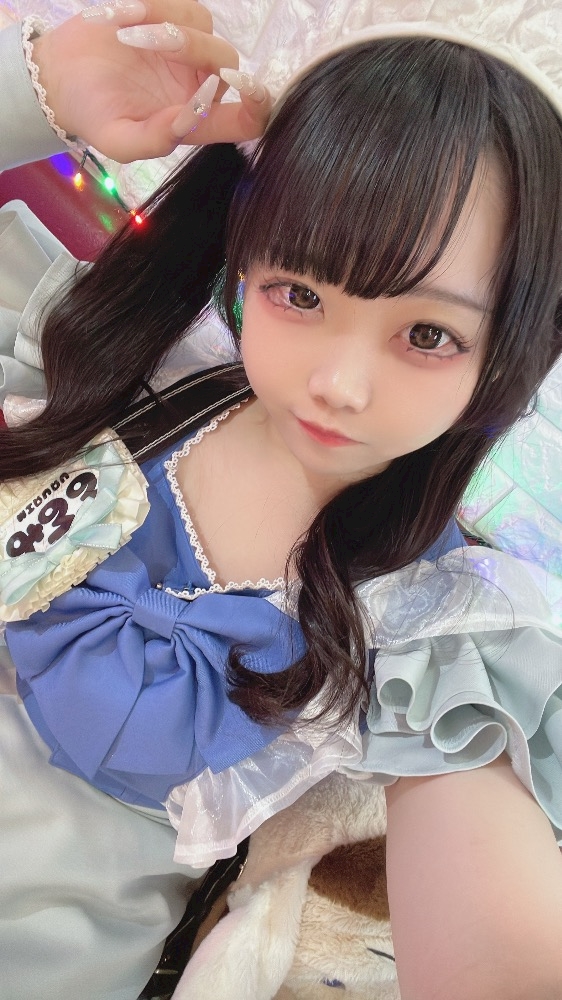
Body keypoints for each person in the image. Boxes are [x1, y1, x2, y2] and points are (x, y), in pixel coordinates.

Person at [0, 4, 562, 1000]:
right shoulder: (112, 369)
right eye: (300, 294)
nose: (337, 384)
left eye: (427, 335)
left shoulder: (433, 627)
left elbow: (493, 954)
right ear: (247, 259)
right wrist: (45, 85)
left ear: (510, 351)